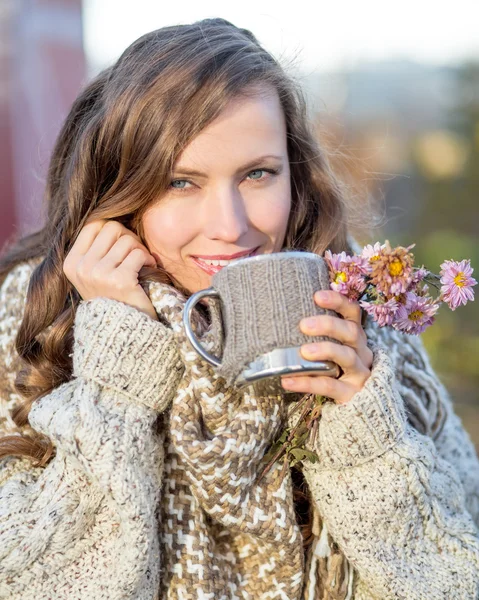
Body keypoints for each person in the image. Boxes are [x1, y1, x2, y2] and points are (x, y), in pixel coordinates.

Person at [0, 17, 478, 600]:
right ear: (117, 186)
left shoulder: (359, 314)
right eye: (181, 182)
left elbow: (455, 578)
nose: (231, 227)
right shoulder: (31, 321)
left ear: (295, 175)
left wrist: (364, 437)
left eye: (257, 174)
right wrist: (117, 375)